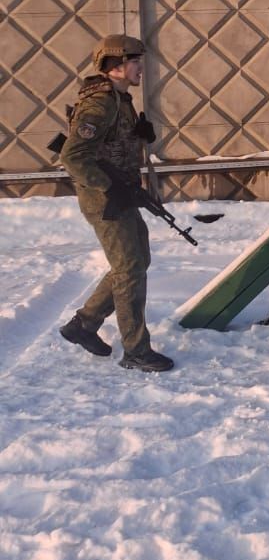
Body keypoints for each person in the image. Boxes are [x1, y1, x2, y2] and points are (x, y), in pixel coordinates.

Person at [57, 34, 174, 372]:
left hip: (119, 194)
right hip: (104, 199)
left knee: (139, 258)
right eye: (136, 62)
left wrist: (139, 134)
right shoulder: (100, 103)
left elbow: (111, 145)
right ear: (117, 65)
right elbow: (73, 157)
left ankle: (84, 324)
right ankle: (136, 350)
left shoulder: (120, 100)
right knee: (129, 269)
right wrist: (109, 186)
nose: (141, 68)